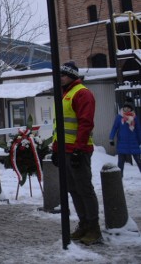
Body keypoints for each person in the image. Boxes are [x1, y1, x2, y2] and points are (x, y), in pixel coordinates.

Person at [51, 61, 101, 245]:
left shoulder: (82, 93)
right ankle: (84, 224)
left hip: (77, 150)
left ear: (71, 76)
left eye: (63, 75)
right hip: (66, 150)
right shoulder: (65, 94)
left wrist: (79, 149)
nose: (60, 78)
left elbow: (85, 123)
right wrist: (56, 149)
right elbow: (60, 126)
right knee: (73, 189)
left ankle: (94, 228)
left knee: (84, 189)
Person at [110, 100, 141, 175]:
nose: (126, 109)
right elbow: (114, 128)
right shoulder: (119, 117)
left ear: (131, 109)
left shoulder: (134, 118)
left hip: (133, 143)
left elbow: (138, 130)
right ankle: (119, 179)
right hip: (122, 144)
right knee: (120, 163)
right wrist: (111, 138)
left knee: (138, 161)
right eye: (125, 107)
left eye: (128, 108)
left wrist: (140, 141)